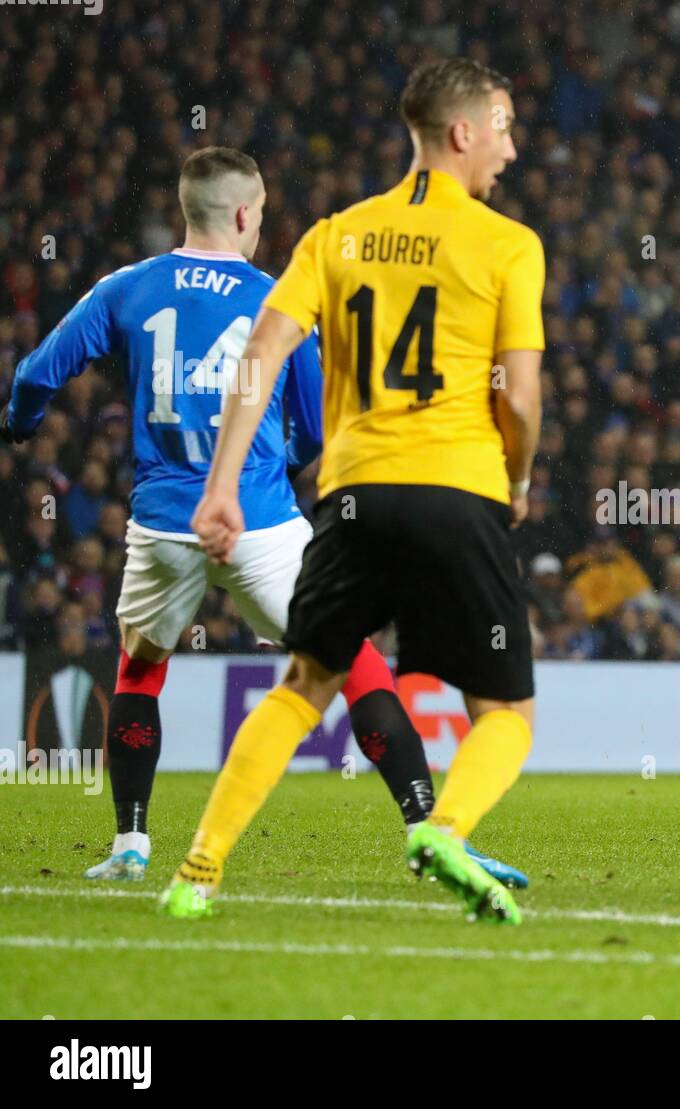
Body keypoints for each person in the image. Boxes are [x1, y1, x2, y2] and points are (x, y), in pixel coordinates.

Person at [0, 147, 525, 888]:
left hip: (164, 520)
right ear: (246, 214)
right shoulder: (277, 299)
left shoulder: (126, 287)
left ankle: (130, 843)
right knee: (352, 662)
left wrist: (20, 423)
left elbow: (36, 375)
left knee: (139, 669)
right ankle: (426, 827)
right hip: (260, 520)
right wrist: (278, 460)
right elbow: (315, 423)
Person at [163, 58, 544, 924]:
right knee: (506, 710)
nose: (511, 150)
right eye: (504, 127)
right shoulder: (507, 243)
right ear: (462, 132)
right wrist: (516, 477)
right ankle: (444, 826)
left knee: (304, 683)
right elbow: (518, 397)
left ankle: (197, 871)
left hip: (355, 496)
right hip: (459, 491)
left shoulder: (334, 235)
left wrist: (219, 488)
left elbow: (259, 356)